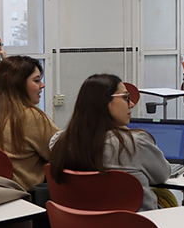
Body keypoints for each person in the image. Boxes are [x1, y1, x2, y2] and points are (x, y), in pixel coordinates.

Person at [49, 74, 171, 211]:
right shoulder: (135, 143)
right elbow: (162, 174)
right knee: (166, 196)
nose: (131, 104)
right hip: (135, 227)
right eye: (126, 97)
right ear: (104, 102)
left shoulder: (59, 143)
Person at [0, 56, 59, 192]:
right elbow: (65, 154)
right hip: (22, 201)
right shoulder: (29, 116)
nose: (42, 85)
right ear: (18, 84)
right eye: (36, 80)